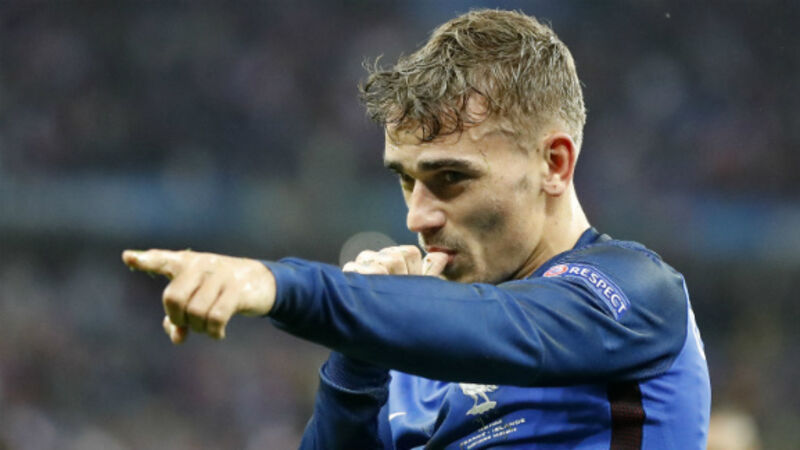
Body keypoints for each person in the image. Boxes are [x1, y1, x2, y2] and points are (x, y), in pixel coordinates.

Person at [123, 9, 711, 449]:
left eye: (451, 177)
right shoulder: (404, 367)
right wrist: (357, 361)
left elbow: (505, 327)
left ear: (553, 164)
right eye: (406, 180)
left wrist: (282, 284)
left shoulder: (636, 296)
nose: (417, 216)